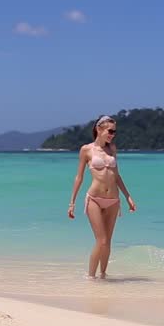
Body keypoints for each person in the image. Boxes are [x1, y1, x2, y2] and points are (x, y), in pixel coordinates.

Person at [67, 115, 136, 279]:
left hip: (113, 200)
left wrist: (128, 197)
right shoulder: (86, 150)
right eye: (110, 131)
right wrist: (72, 203)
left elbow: (117, 175)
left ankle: (103, 275)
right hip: (94, 199)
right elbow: (79, 177)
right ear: (99, 129)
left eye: (114, 132)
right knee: (102, 240)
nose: (112, 135)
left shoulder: (112, 149)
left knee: (108, 243)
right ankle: (91, 277)